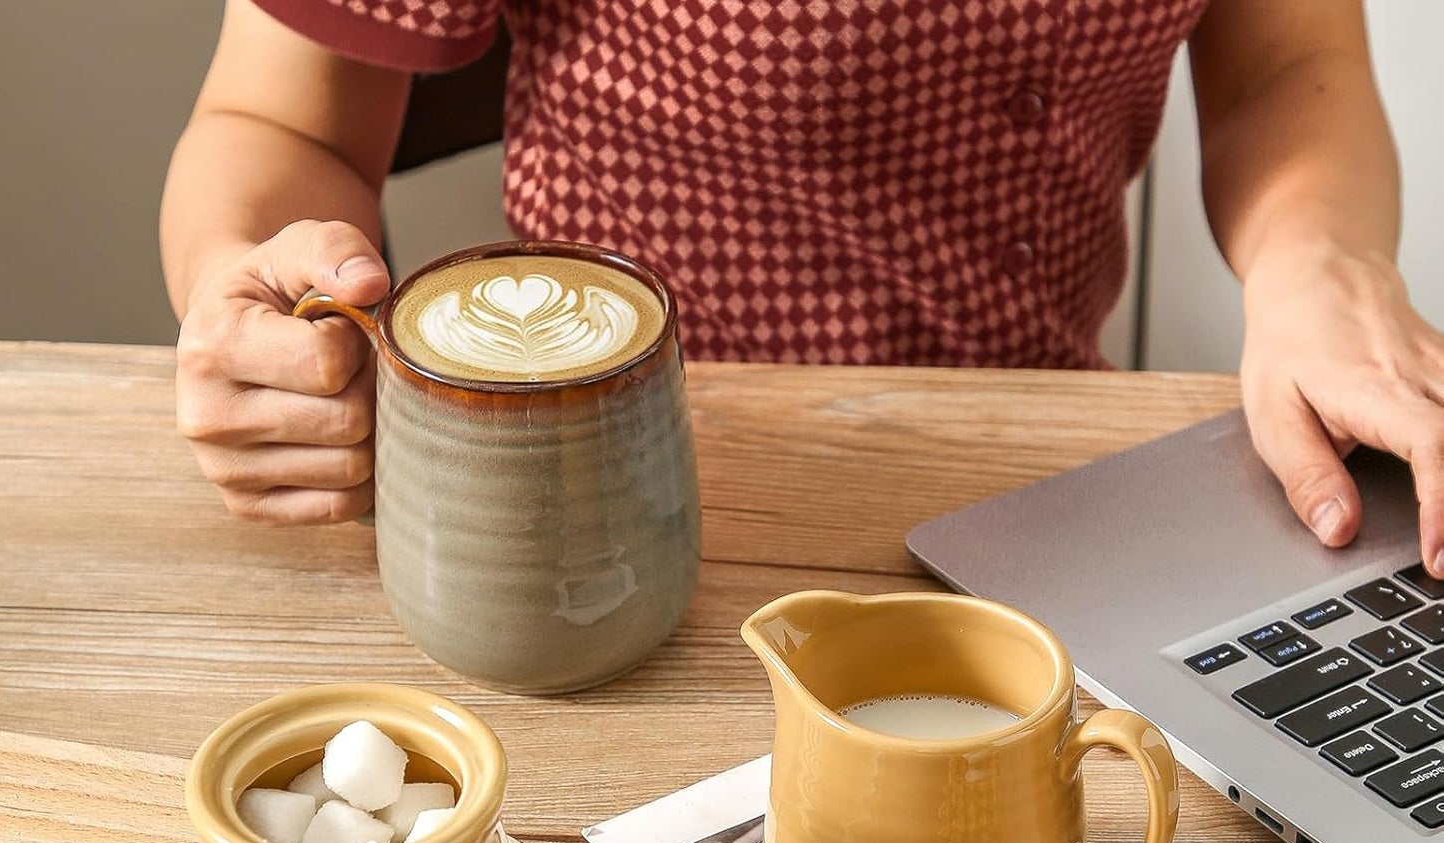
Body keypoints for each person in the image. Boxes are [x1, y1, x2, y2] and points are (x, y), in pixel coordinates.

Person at [161, 0, 1444, 579]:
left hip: (1063, 520)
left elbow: (1284, 64)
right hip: (607, 528)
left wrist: (1315, 264)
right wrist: (248, 292)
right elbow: (281, 123)